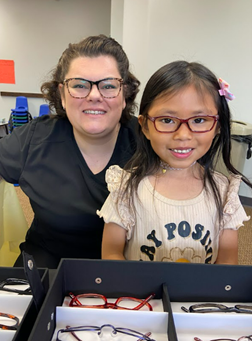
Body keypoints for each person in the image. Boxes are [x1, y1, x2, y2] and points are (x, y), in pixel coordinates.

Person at [0, 34, 140, 268]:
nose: (94, 95)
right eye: (79, 85)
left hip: (129, 277)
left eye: (108, 86)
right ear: (62, 95)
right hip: (44, 272)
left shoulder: (148, 141)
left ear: (124, 95)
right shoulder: (33, 140)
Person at [98, 61, 251, 265]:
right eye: (167, 120)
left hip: (201, 297)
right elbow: (111, 256)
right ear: (144, 127)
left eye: (199, 120)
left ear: (217, 126)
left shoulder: (225, 194)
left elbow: (226, 266)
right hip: (140, 297)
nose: (183, 135)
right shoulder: (125, 189)